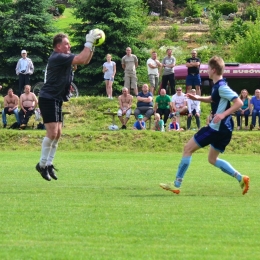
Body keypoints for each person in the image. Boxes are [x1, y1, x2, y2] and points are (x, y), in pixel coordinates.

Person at [160, 56, 250, 195]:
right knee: (212, 159)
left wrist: (223, 114)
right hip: (224, 128)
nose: (206, 70)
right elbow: (214, 99)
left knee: (187, 149)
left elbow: (238, 102)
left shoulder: (222, 86)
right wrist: (198, 98)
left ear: (213, 70)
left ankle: (176, 184)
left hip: (217, 127)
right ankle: (241, 178)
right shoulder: (218, 86)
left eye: (208, 68)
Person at [36, 30, 101, 181]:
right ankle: (42, 165)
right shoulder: (58, 56)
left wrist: (93, 45)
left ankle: (49, 163)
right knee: (52, 133)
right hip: (48, 98)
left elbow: (84, 61)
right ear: (58, 47)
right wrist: (89, 43)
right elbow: (81, 58)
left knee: (58, 133)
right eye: (66, 44)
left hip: (56, 98)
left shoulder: (62, 57)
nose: (69, 46)